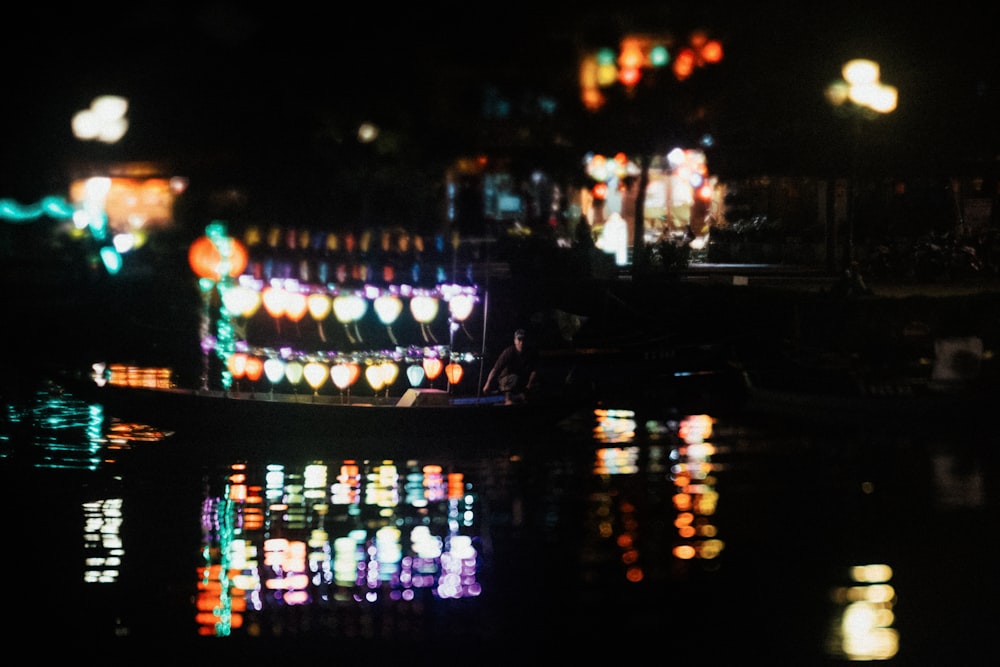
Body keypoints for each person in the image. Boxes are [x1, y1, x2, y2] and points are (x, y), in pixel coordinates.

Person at [483, 329, 539, 404]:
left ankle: (521, 395)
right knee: (514, 378)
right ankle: (508, 398)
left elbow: (534, 370)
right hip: (507, 380)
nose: (521, 343)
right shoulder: (508, 352)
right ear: (515, 340)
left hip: (522, 379)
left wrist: (529, 384)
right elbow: (495, 369)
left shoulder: (529, 353)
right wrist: (488, 384)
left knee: (536, 383)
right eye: (519, 340)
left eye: (523, 340)